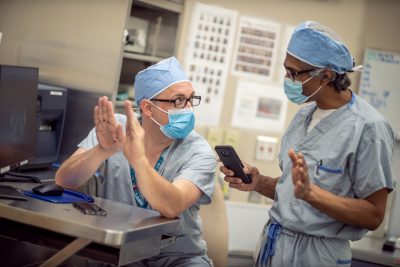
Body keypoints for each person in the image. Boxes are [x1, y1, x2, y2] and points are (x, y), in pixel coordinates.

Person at [221, 21, 394, 267]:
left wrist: (314, 194)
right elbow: (294, 192)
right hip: (275, 245)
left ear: (326, 75)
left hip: (318, 255)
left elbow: (374, 215)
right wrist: (260, 183)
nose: (287, 79)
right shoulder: (305, 115)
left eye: (294, 73)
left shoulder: (368, 128)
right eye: (285, 70)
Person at [56, 57, 217, 266]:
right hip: (118, 254)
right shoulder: (115, 129)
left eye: (191, 99)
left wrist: (138, 160)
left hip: (178, 259)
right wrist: (101, 150)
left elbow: (172, 205)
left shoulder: (199, 151)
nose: (188, 108)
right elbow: (64, 179)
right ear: (148, 108)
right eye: (178, 100)